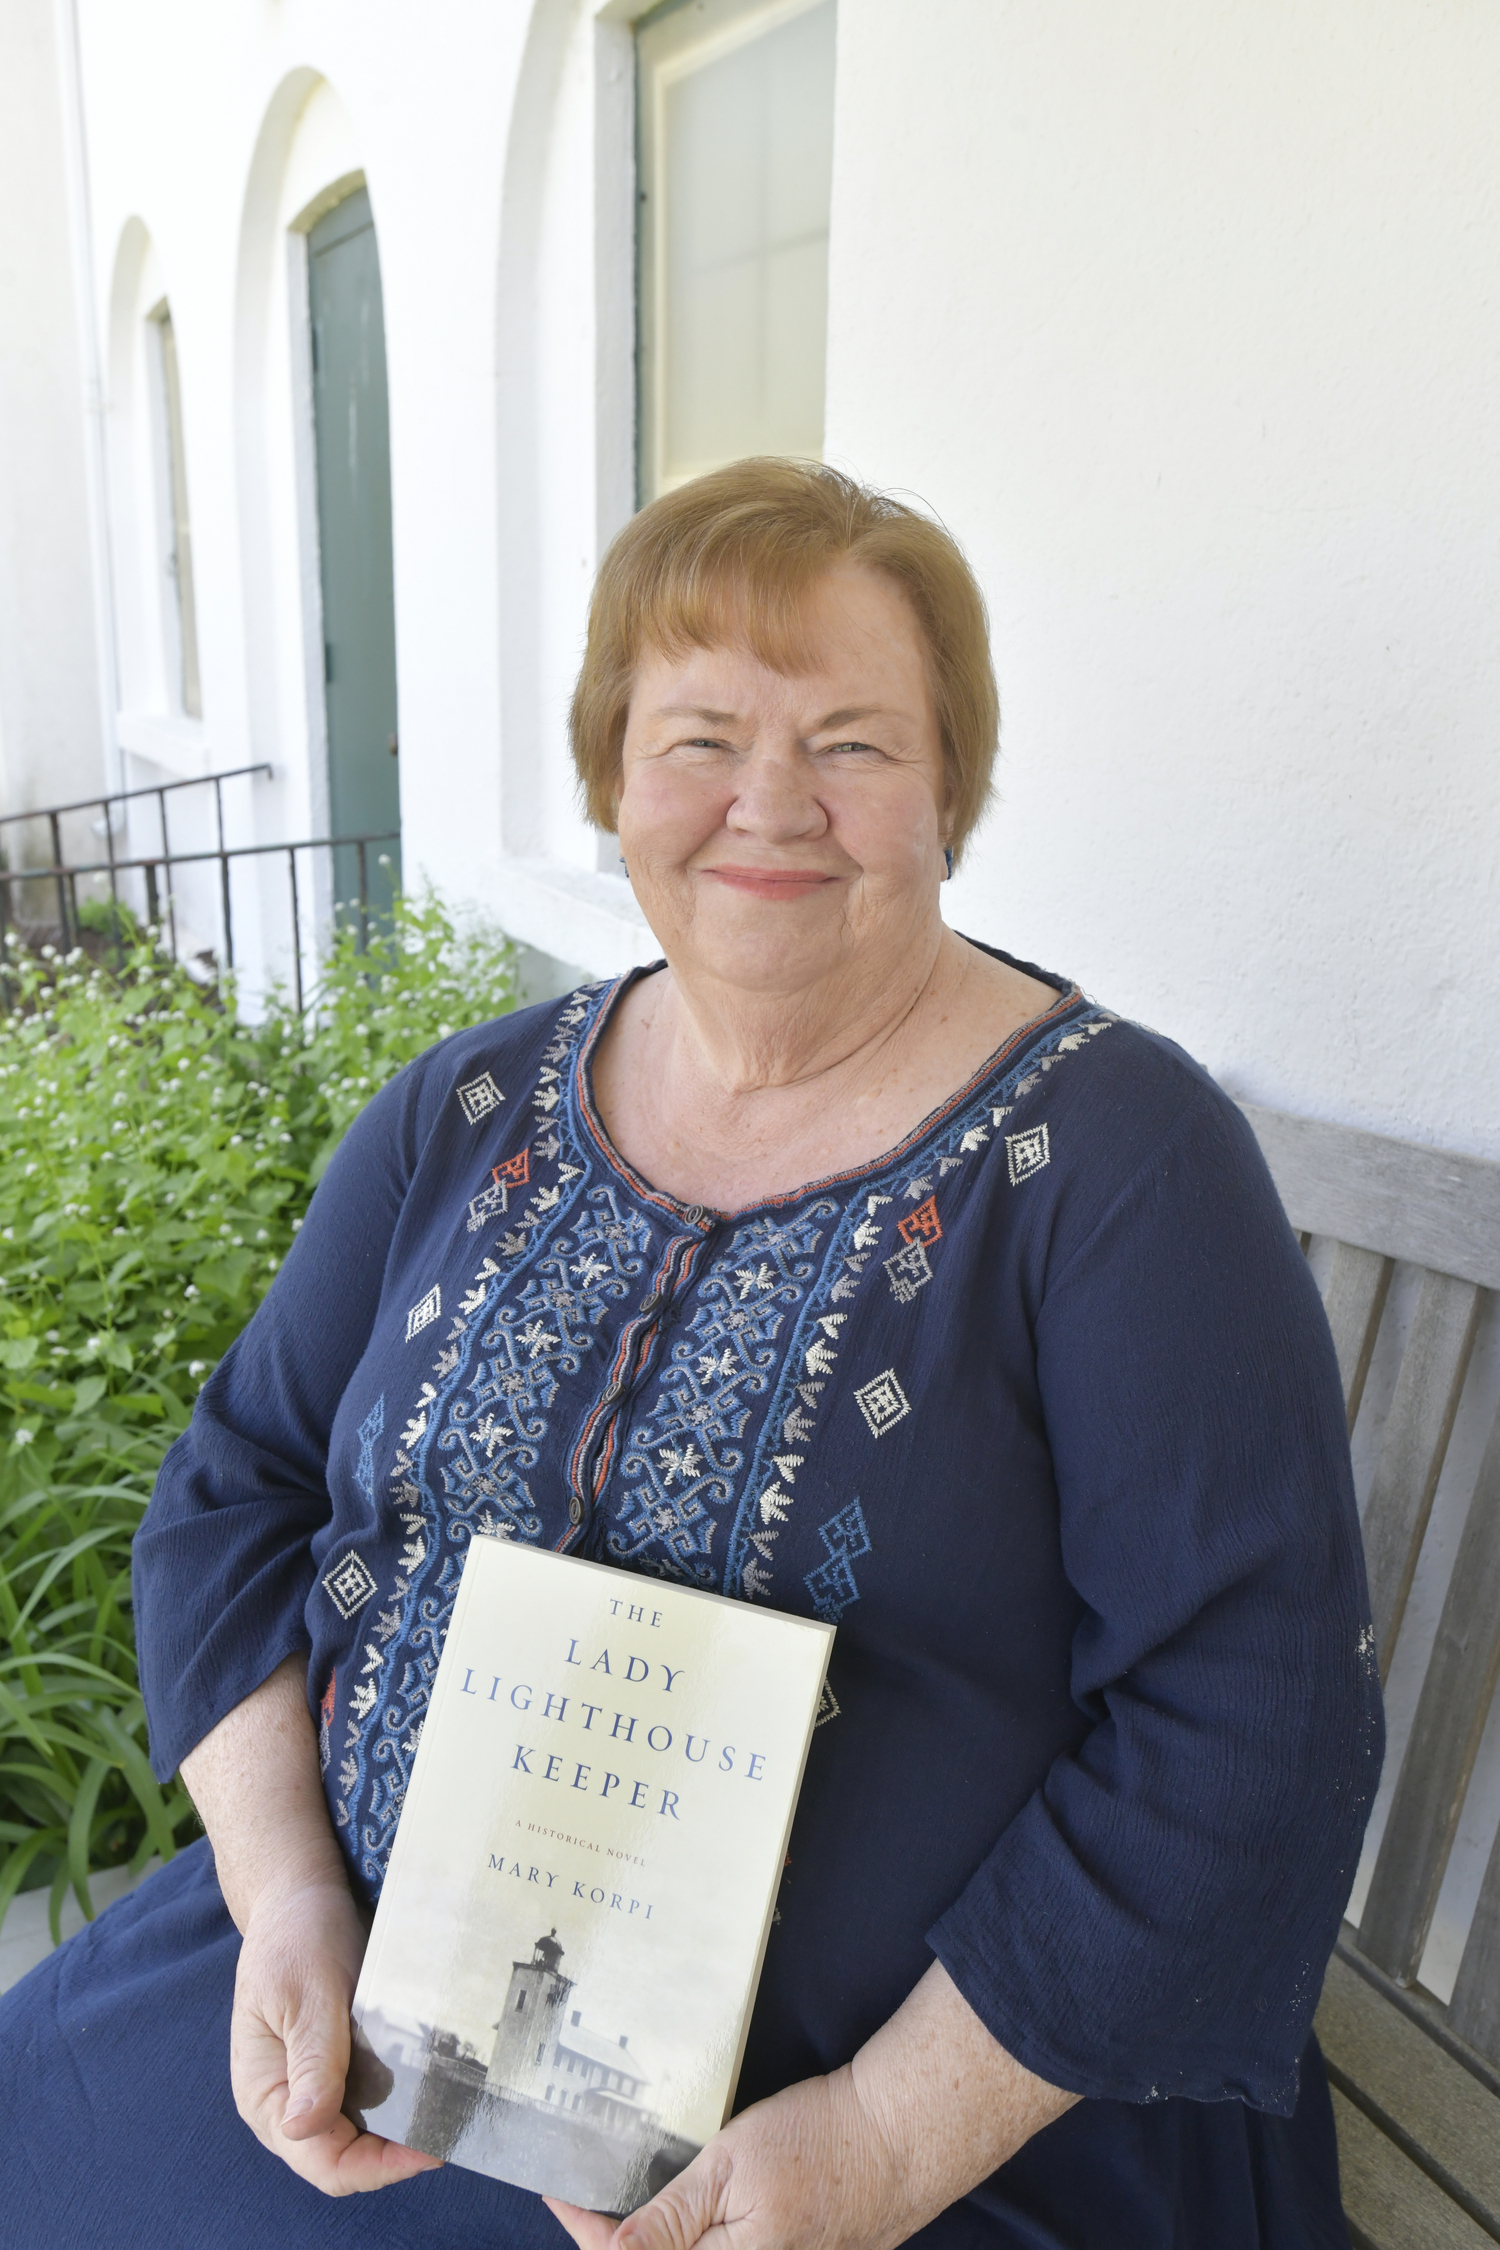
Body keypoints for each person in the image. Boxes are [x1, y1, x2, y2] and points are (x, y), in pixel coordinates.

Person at [0, 459, 1380, 2250]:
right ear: (613, 777)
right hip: (359, 1975)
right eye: (702, 734)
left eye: (856, 743)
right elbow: (235, 1484)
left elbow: (1249, 1720)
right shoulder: (468, 1104)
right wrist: (280, 1896)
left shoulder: (1117, 1161)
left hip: (887, 2120)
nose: (771, 804)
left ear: (949, 785)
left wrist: (880, 2143)